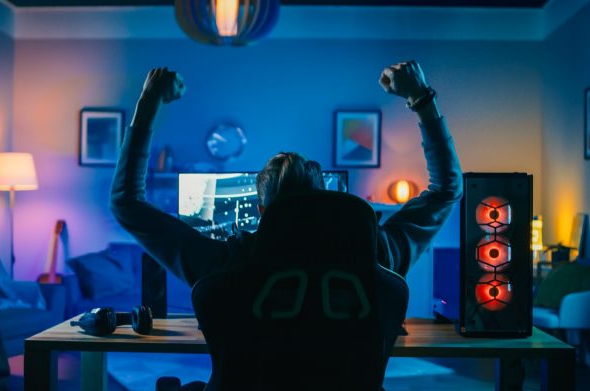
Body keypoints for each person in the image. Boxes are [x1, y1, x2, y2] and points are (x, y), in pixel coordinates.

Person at [111, 60, 462, 286]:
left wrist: (149, 100)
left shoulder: (227, 263)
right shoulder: (375, 253)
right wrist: (420, 97)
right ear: (324, 200)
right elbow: (447, 188)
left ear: (262, 211)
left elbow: (126, 203)